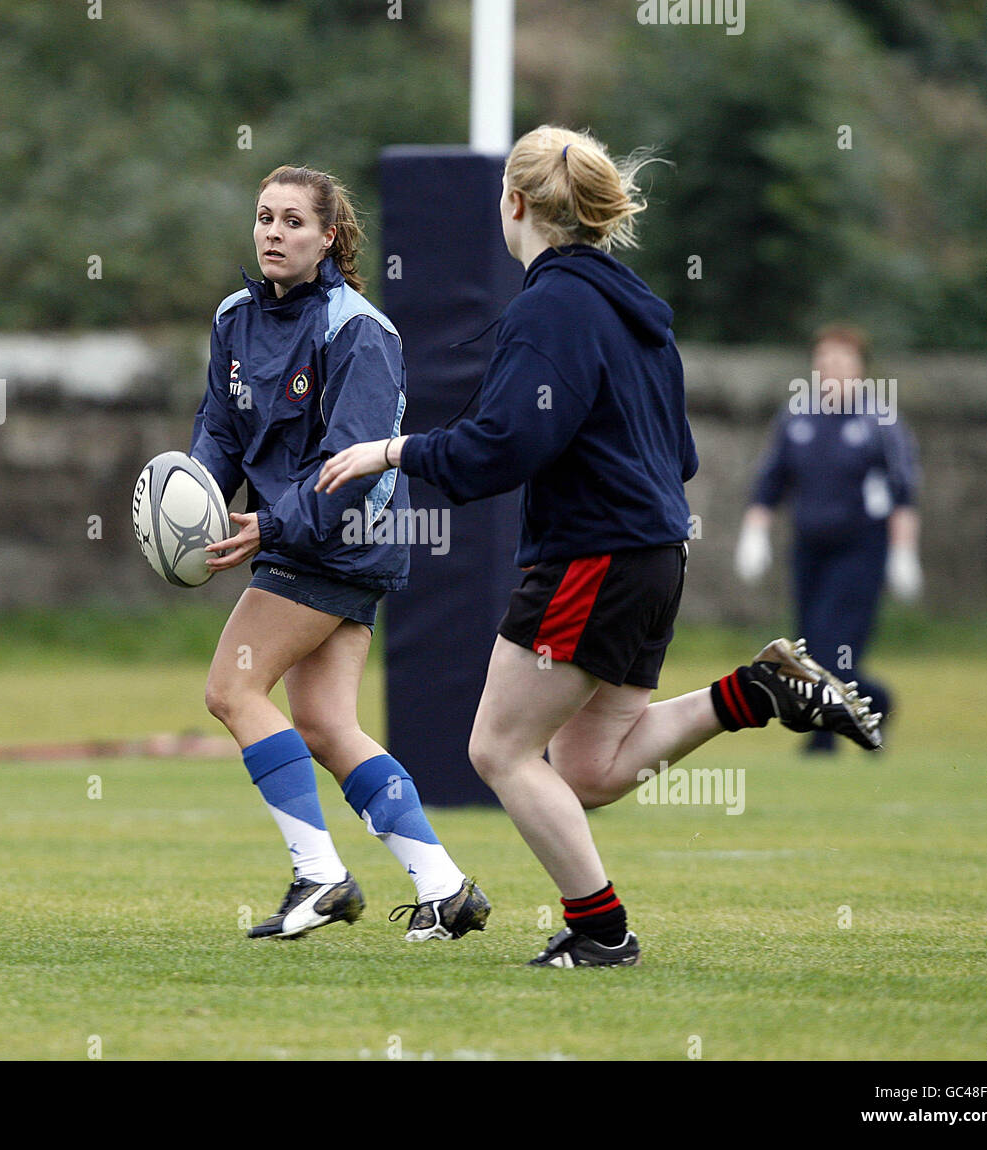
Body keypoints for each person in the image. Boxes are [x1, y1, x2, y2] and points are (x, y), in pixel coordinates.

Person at [317, 126, 880, 969]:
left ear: (513, 205)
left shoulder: (548, 307)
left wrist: (391, 451)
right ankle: (755, 691)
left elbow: (499, 448)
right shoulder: (633, 306)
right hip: (656, 554)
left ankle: (601, 930)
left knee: (496, 750)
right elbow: (679, 455)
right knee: (590, 767)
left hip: (592, 557)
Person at [188, 164, 490, 943]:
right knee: (325, 724)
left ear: (329, 237)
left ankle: (320, 875)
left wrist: (270, 526)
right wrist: (197, 499)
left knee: (233, 690)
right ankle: (446, 888)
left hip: (343, 536)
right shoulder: (233, 317)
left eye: (293, 221)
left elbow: (352, 462)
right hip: (304, 536)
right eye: (264, 218)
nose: (273, 233)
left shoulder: (357, 327)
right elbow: (221, 428)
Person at [735, 325, 922, 752]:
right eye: (823, 360)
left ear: (859, 369)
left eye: (841, 361)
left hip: (861, 548)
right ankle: (875, 705)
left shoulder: (880, 420)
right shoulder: (796, 417)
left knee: (835, 646)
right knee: (808, 643)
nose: (830, 369)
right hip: (809, 548)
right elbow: (770, 483)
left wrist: (903, 552)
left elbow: (902, 492)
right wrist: (754, 534)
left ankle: (825, 740)